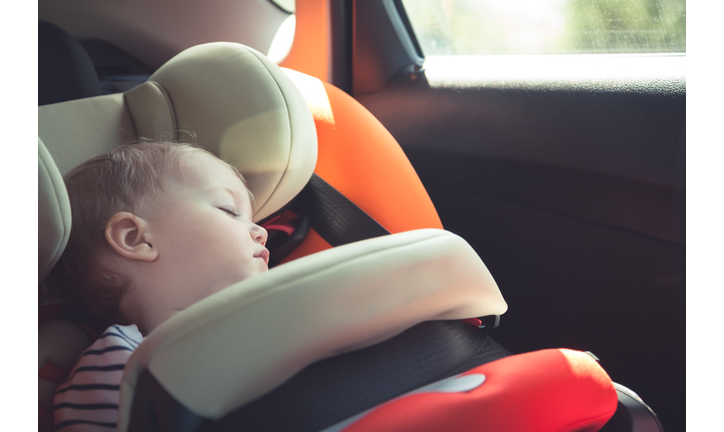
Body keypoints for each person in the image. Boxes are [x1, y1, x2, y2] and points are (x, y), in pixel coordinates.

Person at [50, 141, 269, 431]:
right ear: (134, 238)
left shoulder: (270, 326)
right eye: (229, 210)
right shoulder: (124, 363)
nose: (262, 232)